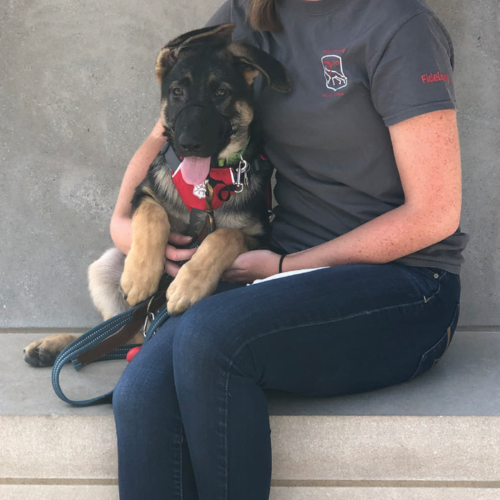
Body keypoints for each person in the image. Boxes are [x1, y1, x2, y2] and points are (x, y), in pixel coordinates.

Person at [111, 0, 469, 498]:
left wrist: (285, 265)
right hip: (278, 281)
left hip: (406, 283)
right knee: (141, 393)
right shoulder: (243, 16)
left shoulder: (398, 26)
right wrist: (123, 225)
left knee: (211, 337)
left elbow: (434, 214)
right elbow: (168, 128)